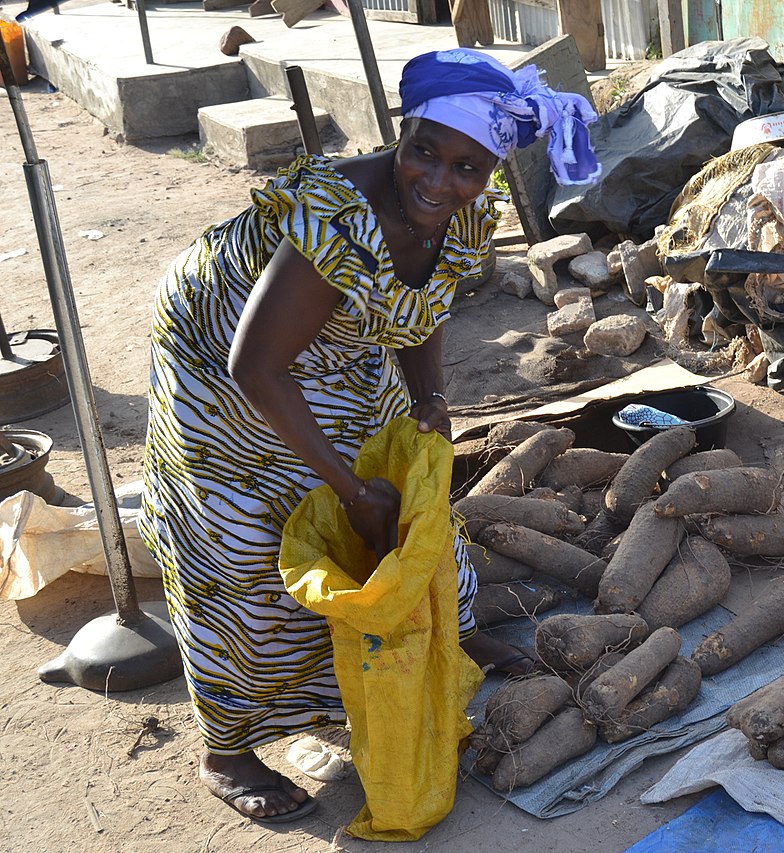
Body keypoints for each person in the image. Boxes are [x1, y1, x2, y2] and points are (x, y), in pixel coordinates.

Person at [139, 48, 599, 824]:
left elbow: (424, 299)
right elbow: (256, 365)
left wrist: (431, 396)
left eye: (466, 167)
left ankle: (439, 635)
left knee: (412, 503)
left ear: (490, 170)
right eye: (423, 150)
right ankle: (228, 744)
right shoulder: (339, 214)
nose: (437, 181)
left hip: (337, 337)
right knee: (250, 544)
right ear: (402, 131)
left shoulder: (463, 212)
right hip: (224, 351)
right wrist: (348, 490)